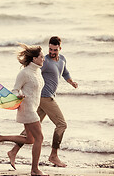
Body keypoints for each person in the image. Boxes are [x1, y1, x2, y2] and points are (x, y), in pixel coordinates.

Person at [7, 36, 78, 168]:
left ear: (60, 49)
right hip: (45, 97)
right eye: (50, 49)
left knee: (31, 129)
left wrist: (71, 82)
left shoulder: (62, 59)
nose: (52, 52)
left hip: (42, 99)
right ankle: (54, 156)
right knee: (62, 124)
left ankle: (13, 151)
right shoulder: (44, 61)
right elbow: (32, 71)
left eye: (55, 50)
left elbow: (65, 73)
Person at [0, 43, 48, 176]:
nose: (43, 59)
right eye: (41, 56)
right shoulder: (24, 73)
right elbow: (15, 90)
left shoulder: (37, 71)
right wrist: (18, 95)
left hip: (33, 106)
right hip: (27, 109)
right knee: (39, 138)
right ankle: (35, 169)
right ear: (34, 59)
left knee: (30, 139)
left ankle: (0, 137)